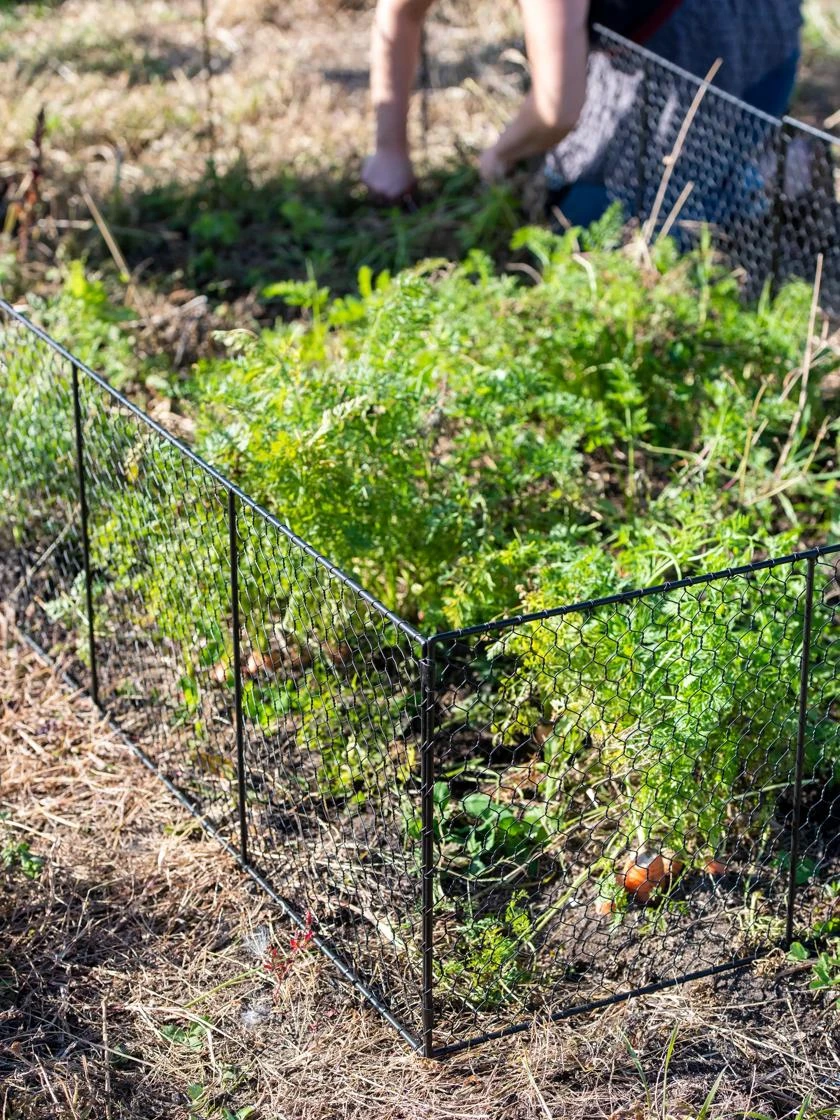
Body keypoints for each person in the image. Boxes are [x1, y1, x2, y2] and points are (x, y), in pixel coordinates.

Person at [362, 0, 803, 226]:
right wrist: (389, 151)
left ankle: (764, 178)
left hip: (723, 34)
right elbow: (398, 18)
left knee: (598, 226)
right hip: (636, 42)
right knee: (569, 175)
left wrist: (497, 156)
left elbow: (556, 110)